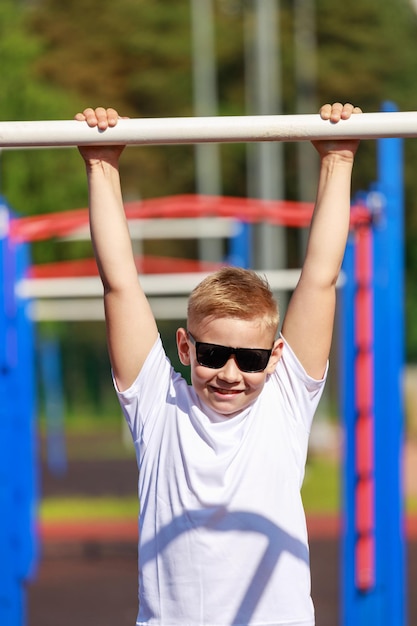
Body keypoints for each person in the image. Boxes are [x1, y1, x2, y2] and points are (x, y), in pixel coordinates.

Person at [75, 102, 361, 626]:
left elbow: (320, 276)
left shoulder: (286, 401)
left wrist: (337, 160)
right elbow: (119, 283)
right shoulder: (159, 405)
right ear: (185, 349)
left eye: (250, 359)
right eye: (212, 355)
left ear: (275, 357)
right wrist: (101, 164)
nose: (231, 374)